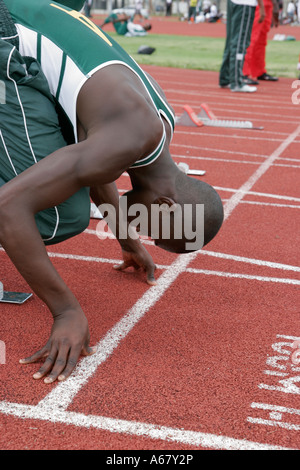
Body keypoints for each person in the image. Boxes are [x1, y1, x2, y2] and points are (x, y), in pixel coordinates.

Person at [1, 0, 223, 384]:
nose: (146, 233)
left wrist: (126, 239)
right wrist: (66, 310)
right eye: (155, 231)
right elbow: (8, 208)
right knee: (56, 218)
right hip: (8, 31)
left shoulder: (159, 124)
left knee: (59, 179)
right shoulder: (124, 140)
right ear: (166, 205)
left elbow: (95, 161)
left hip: (27, 17)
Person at [219, 0, 265, 92]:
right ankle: (236, 82)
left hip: (234, 2)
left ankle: (225, 78)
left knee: (231, 41)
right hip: (245, 4)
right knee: (240, 41)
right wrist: (262, 6)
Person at [243, 0, 279, 83]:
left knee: (261, 40)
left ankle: (259, 71)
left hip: (268, 4)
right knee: (252, 38)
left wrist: (274, 4)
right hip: (258, 4)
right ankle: (244, 73)